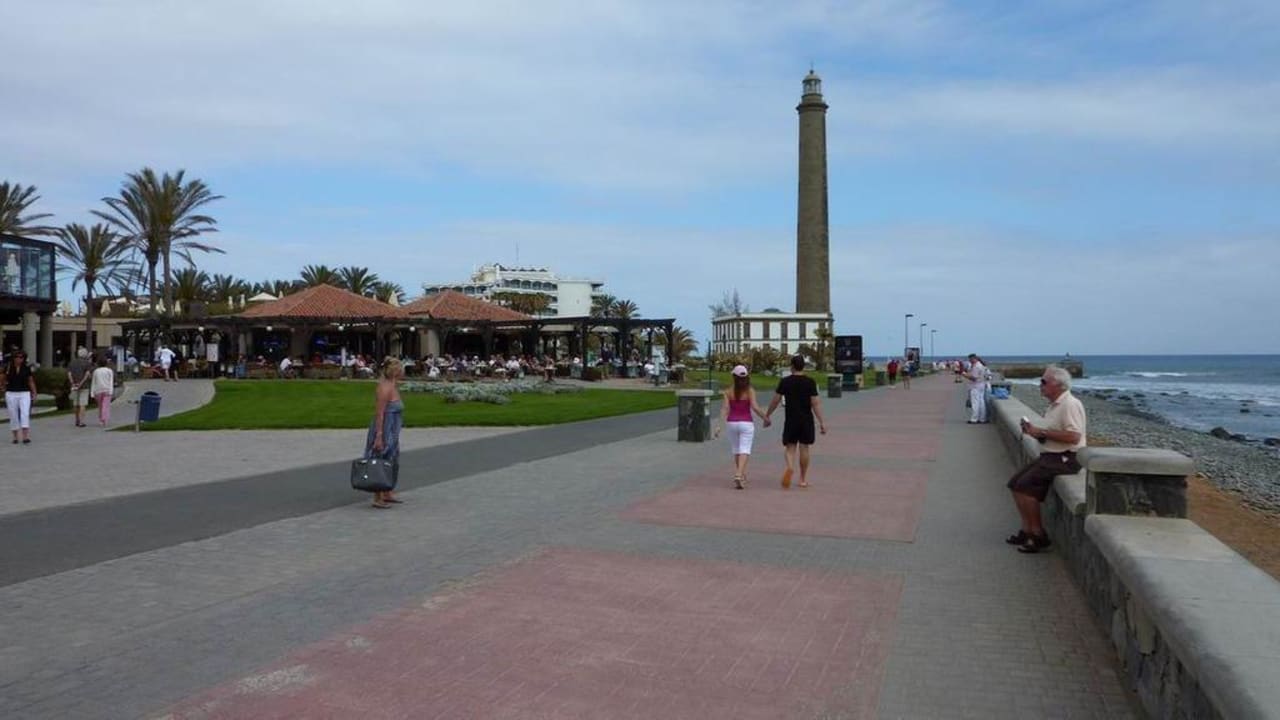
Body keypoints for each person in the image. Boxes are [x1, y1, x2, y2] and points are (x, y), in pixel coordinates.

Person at [1008, 366, 1086, 554]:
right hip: (1052, 454)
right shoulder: (1055, 404)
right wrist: (1035, 433)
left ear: (1058, 385)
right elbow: (1053, 433)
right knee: (1015, 483)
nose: (1040, 385)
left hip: (1067, 457)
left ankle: (1038, 535)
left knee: (1026, 488)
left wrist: (1041, 432)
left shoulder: (1070, 404)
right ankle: (1027, 530)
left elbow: (1074, 436)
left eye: (1044, 382)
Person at [765, 355, 828, 489]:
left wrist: (767, 415)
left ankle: (790, 467)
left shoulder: (785, 382)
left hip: (791, 419)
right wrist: (822, 422)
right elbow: (815, 403)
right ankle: (802, 479)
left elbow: (775, 400)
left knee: (790, 447)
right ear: (803, 366)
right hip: (806, 420)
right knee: (804, 448)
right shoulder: (810, 382)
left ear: (792, 366)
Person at [713, 365, 771, 489]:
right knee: (745, 449)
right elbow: (755, 407)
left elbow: (725, 409)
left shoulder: (728, 392)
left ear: (734, 377)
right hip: (746, 423)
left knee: (736, 449)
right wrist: (765, 418)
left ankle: (742, 475)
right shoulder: (750, 390)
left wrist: (719, 425)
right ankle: (739, 474)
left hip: (732, 423)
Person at [364, 357, 405, 509]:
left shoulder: (393, 385)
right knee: (380, 458)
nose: (402, 372)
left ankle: (387, 491)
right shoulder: (384, 388)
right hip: (384, 428)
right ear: (394, 371)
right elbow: (380, 413)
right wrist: (379, 435)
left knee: (392, 459)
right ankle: (377, 496)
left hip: (393, 430)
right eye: (399, 370)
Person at [2, 349, 37, 444]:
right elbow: (3, 378)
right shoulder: (8, 368)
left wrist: (34, 393)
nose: (19, 359)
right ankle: (15, 437)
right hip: (11, 393)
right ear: (13, 358)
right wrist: (3, 387)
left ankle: (25, 436)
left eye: (21, 357)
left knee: (25, 413)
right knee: (13, 414)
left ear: (24, 358)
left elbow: (30, 381)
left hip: (24, 393)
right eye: (17, 357)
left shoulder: (26, 368)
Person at [67, 348, 92, 428]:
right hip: (84, 386)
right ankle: (81, 421)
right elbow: (87, 375)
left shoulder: (72, 363)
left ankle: (77, 420)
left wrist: (73, 383)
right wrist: (81, 383)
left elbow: (69, 374)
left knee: (76, 404)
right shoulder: (87, 363)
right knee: (82, 404)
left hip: (74, 386)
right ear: (85, 355)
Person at [90, 355, 115, 427]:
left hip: (98, 390)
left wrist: (92, 392)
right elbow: (111, 381)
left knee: (100, 406)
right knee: (106, 406)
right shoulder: (109, 371)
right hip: (107, 390)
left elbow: (93, 382)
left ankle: (101, 419)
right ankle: (104, 419)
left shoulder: (96, 371)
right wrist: (111, 391)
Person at [966, 353, 988, 423]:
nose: (969, 361)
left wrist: (965, 375)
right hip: (981, 385)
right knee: (981, 402)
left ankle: (974, 419)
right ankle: (982, 418)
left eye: (970, 359)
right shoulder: (981, 365)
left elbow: (974, 378)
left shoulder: (976, 366)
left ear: (973, 359)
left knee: (975, 403)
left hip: (975, 386)